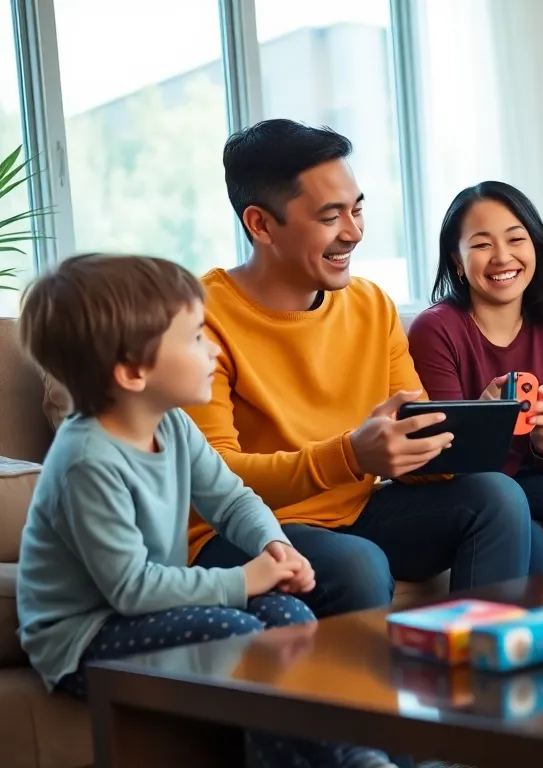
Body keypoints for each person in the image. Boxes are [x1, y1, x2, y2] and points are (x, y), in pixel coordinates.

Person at [15, 254, 401, 768]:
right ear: (133, 371)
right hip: (83, 638)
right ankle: (352, 761)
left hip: (152, 608)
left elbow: (232, 497)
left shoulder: (171, 424)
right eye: (196, 337)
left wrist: (275, 546)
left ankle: (351, 754)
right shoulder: (87, 460)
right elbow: (130, 589)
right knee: (239, 637)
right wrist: (245, 579)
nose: (214, 348)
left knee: (292, 619)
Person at [188, 119, 532, 618]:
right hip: (243, 531)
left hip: (355, 512)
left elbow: (408, 436)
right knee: (358, 564)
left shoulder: (371, 305)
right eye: (331, 217)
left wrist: (461, 429)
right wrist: (350, 456)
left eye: (357, 208)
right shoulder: (198, 316)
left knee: (496, 497)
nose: (353, 232)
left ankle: (484, 668)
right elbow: (214, 475)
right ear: (260, 224)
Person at [406, 181, 543, 570]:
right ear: (456, 260)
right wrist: (482, 419)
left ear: (536, 247)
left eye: (515, 239)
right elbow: (446, 462)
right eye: (481, 244)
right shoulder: (434, 329)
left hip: (528, 475)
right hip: (473, 487)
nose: (502, 257)